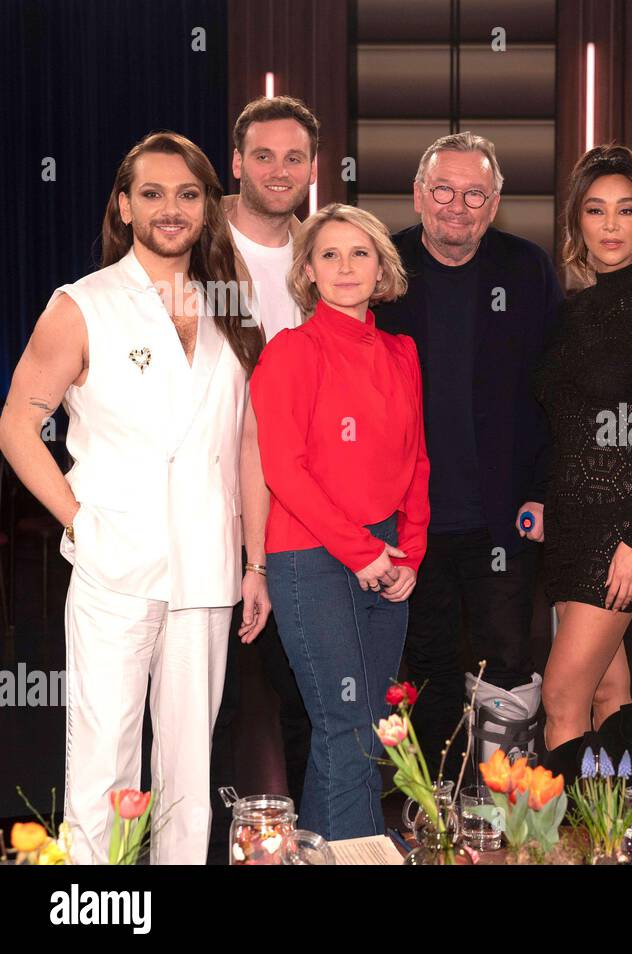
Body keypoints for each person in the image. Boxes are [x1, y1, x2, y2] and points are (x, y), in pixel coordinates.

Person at [0, 131, 267, 863]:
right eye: (152, 193)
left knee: (190, 763)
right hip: (115, 561)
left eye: (188, 194)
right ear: (124, 206)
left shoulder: (230, 309)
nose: (171, 209)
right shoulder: (81, 304)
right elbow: (19, 422)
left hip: (209, 569)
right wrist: (80, 520)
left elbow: (245, 444)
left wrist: (257, 564)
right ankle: (97, 897)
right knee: (103, 757)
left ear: (208, 207)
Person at [372, 132, 562, 765]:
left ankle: (502, 815)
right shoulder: (381, 267)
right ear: (419, 195)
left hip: (502, 517)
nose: (458, 204)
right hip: (409, 517)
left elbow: (552, 395)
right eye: (444, 190)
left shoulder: (527, 268)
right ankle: (432, 813)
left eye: (474, 192)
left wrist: (540, 491)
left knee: (505, 665)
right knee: (422, 666)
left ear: (496, 200)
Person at [250, 203, 429, 840]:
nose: (346, 267)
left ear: (382, 268)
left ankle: (321, 854)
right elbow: (285, 471)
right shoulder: (291, 353)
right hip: (311, 556)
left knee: (363, 731)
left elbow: (417, 461)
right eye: (329, 254)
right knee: (346, 722)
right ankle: (365, 855)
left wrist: (408, 551)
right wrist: (364, 553)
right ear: (308, 271)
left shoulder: (401, 351)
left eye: (360, 253)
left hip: (388, 557)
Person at [533, 144, 632, 781]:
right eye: (595, 210)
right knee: (605, 694)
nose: (609, 225)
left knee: (560, 699)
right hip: (568, 532)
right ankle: (621, 838)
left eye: (625, 210)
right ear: (577, 221)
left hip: (622, 531)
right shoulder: (570, 313)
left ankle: (565, 850)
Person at [208, 94, 317, 861]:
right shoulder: (192, 241)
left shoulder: (329, 247)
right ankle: (227, 837)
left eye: (295, 157)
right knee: (218, 690)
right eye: (264, 156)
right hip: (206, 495)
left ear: (313, 168)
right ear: (238, 161)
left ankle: (302, 833)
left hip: (304, 498)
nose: (279, 170)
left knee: (305, 682)